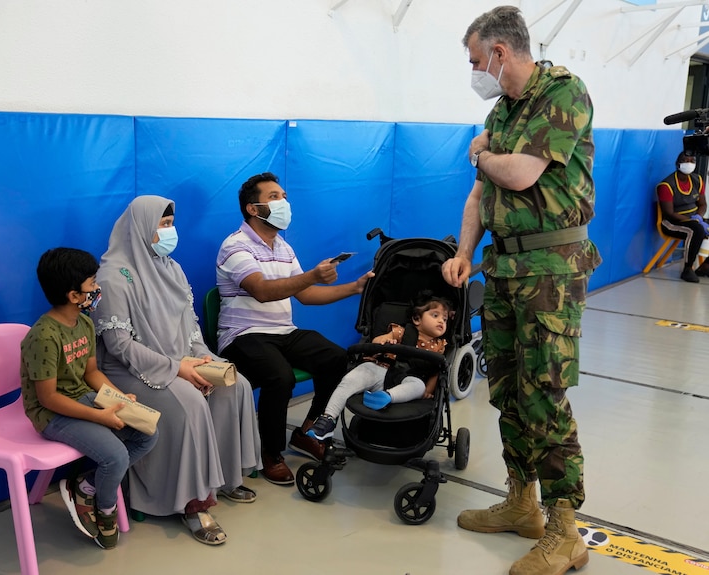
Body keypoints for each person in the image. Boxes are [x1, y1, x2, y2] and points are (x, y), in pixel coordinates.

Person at [441, 6, 601, 575]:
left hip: (550, 272)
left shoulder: (563, 93)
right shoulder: (504, 110)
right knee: (507, 389)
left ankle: (566, 530)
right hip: (505, 270)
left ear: (499, 53)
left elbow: (520, 174)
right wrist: (463, 253)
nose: (475, 71)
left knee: (544, 393)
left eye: (475, 60)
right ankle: (522, 502)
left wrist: (482, 152)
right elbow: (480, 196)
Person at [93, 195, 261, 547]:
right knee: (190, 403)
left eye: (171, 224)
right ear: (141, 228)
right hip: (127, 370)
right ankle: (193, 504)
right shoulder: (113, 276)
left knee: (235, 384)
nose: (170, 232)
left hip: (179, 359)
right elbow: (119, 345)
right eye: (162, 225)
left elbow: (190, 329)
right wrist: (176, 368)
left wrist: (204, 360)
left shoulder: (171, 267)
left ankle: (224, 479)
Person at [216, 171, 374, 485]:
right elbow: (261, 290)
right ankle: (270, 454)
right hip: (242, 336)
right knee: (280, 376)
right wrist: (313, 275)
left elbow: (305, 294)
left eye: (284, 197)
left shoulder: (283, 247)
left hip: (283, 332)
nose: (283, 202)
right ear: (253, 208)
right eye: (274, 197)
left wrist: (354, 288)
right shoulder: (235, 246)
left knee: (337, 359)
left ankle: (308, 432)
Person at [20, 247, 158, 550]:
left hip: (83, 398)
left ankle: (85, 486)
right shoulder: (43, 336)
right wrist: (100, 416)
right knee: (115, 455)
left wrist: (119, 399)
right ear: (73, 295)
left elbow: (91, 372)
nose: (97, 289)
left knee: (147, 432)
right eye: (92, 284)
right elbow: (47, 398)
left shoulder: (84, 323)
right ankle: (104, 508)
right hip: (51, 414)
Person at [306, 294, 451, 441]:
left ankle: (387, 397)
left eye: (445, 319)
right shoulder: (401, 331)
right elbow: (376, 341)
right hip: (381, 368)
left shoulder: (439, 347)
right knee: (352, 378)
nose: (441, 321)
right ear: (417, 319)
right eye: (435, 315)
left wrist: (428, 390)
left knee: (418, 386)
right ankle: (328, 418)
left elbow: (436, 371)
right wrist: (385, 340)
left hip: (406, 379)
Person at [656, 150, 709, 283]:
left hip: (694, 219)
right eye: (686, 161)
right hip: (672, 222)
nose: (689, 164)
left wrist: (698, 217)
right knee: (696, 230)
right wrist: (693, 221)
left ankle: (705, 267)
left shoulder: (698, 180)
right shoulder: (666, 185)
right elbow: (669, 213)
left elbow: (703, 204)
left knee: (698, 227)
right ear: (678, 163)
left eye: (692, 161)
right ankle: (687, 269)